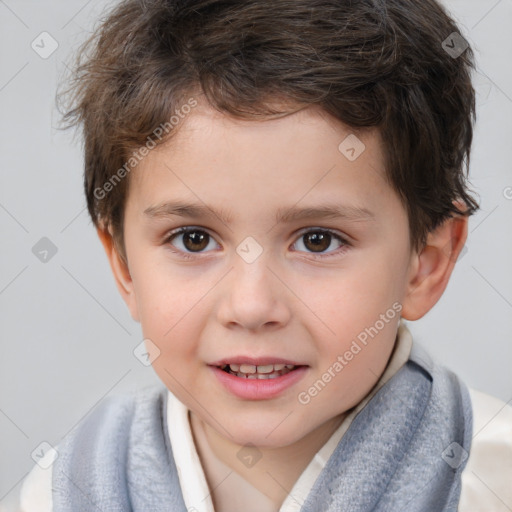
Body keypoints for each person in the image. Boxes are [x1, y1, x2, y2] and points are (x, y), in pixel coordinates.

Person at [18, 0, 512, 510]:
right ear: (123, 265)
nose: (251, 307)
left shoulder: (489, 480)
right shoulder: (68, 489)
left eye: (318, 240)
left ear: (426, 262)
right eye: (193, 239)